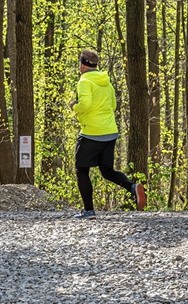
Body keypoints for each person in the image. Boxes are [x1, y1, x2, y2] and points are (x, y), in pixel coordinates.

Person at [69, 49, 146, 219]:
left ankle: (88, 211)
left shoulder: (84, 81)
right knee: (107, 171)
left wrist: (74, 106)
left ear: (82, 65)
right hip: (110, 132)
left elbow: (86, 104)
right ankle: (132, 188)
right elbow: (113, 106)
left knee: (81, 170)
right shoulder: (107, 82)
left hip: (91, 132)